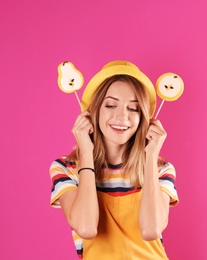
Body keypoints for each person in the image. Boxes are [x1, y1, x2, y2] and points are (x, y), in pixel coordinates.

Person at [50, 60, 179, 259]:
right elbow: (86, 228)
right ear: (94, 111)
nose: (122, 116)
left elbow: (151, 230)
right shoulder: (66, 168)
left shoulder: (161, 169)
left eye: (133, 109)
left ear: (143, 117)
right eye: (110, 105)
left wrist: (151, 155)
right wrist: (85, 151)